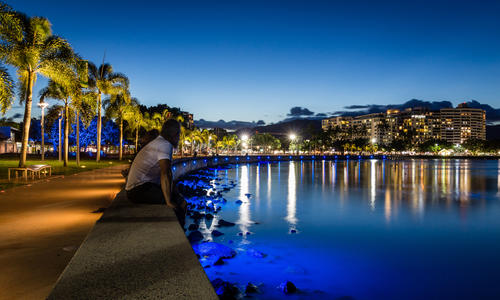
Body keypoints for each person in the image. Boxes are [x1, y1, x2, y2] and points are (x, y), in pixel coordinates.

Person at [125, 119, 186, 221]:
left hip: (139, 187)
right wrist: (168, 201)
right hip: (138, 190)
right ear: (174, 134)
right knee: (177, 205)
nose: (179, 138)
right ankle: (178, 231)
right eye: (179, 134)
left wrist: (175, 193)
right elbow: (165, 173)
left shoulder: (160, 141)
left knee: (179, 199)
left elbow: (168, 174)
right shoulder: (165, 144)